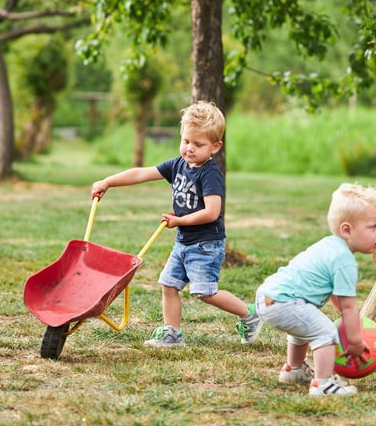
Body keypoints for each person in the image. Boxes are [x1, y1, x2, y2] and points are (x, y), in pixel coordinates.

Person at [91, 101, 261, 346]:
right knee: (168, 284)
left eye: (198, 144)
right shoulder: (178, 165)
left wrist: (179, 220)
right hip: (184, 241)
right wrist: (108, 181)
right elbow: (142, 173)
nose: (190, 149)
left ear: (216, 146)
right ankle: (172, 333)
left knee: (205, 293)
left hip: (205, 244)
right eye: (186, 141)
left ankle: (250, 314)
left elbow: (212, 212)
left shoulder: (209, 173)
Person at [254, 182, 376, 395]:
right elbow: (348, 307)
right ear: (347, 229)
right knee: (325, 331)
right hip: (285, 302)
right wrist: (354, 341)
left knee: (305, 324)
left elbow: (336, 294)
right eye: (372, 227)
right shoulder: (344, 260)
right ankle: (322, 384)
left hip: (268, 297)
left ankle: (294, 369)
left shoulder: (329, 244)